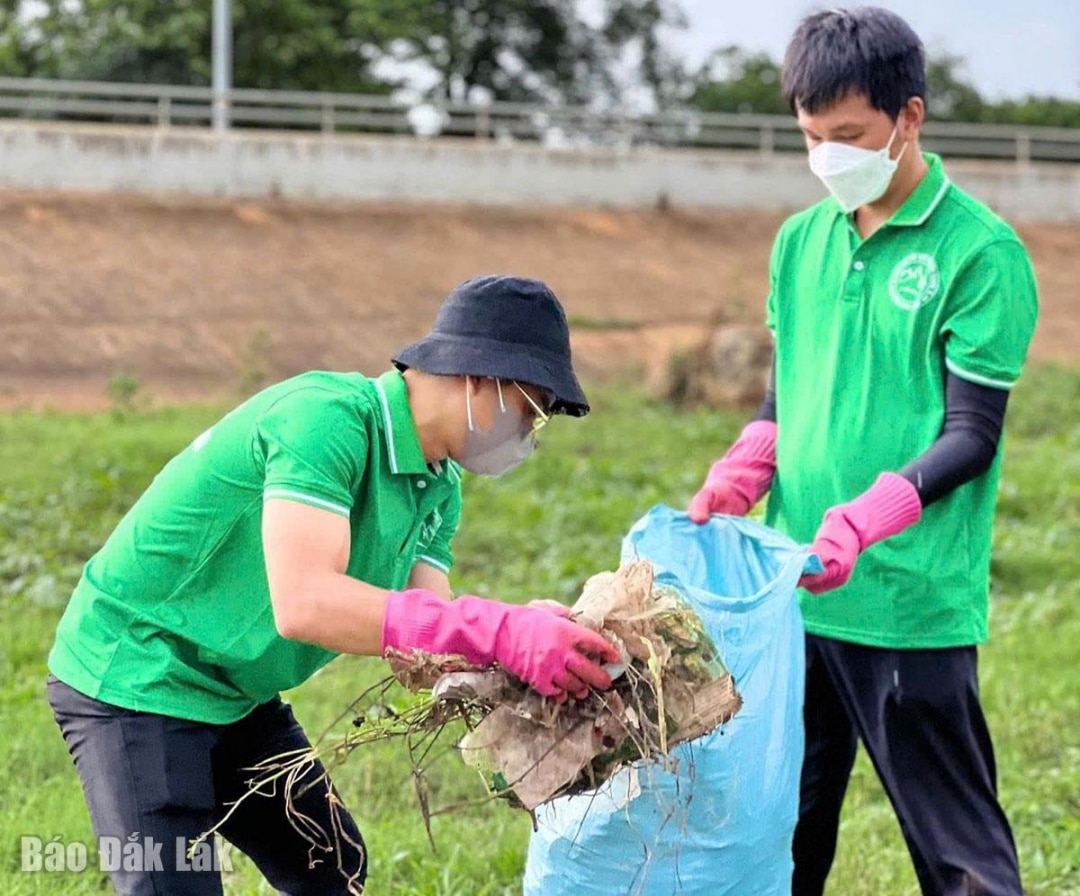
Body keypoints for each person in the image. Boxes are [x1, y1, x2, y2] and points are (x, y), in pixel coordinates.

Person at [46, 274, 620, 896]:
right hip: (140, 672)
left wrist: (523, 640)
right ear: (479, 375)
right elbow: (307, 604)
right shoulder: (327, 421)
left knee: (332, 863)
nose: (527, 436)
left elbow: (427, 638)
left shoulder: (437, 485)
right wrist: (498, 631)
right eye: (531, 409)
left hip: (234, 687)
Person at [687, 8, 1037, 896]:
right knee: (780, 837)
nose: (828, 156)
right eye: (812, 136)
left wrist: (866, 519)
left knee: (959, 856)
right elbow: (790, 390)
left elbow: (972, 434)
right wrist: (748, 462)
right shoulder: (799, 241)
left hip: (905, 600)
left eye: (849, 135)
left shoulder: (980, 252)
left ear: (909, 118)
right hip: (792, 589)